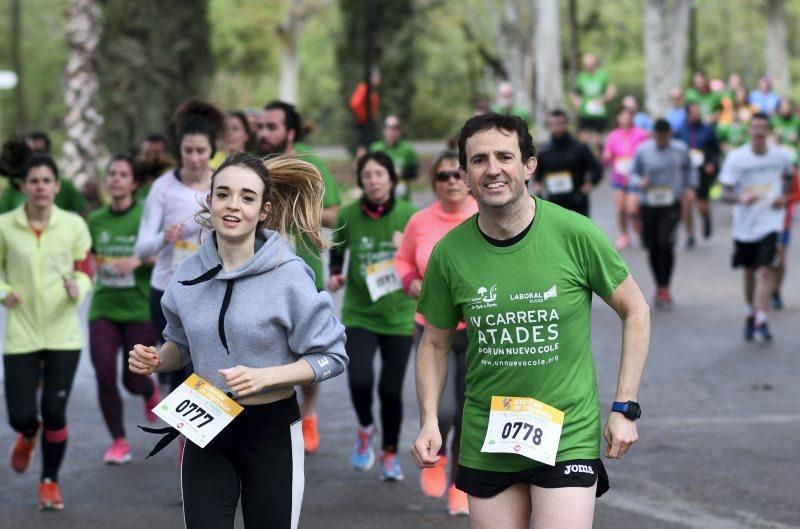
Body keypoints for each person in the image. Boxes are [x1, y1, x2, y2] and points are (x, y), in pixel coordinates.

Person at [411, 113, 650, 529]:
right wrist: (429, 420)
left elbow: (636, 310)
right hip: (488, 436)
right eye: (479, 160)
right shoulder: (449, 254)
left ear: (529, 165)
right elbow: (433, 343)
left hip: (567, 432)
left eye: (505, 156)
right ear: (465, 175)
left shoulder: (575, 234)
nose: (493, 169)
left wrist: (624, 407)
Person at [129, 152, 348, 528]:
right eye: (224, 194)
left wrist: (269, 376)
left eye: (247, 197)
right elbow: (178, 344)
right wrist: (155, 359)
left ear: (264, 210)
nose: (233, 205)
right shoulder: (188, 271)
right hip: (205, 422)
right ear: (209, 200)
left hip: (271, 431)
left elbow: (332, 356)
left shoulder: (289, 274)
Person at [0, 154, 93, 510]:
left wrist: (79, 288)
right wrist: (5, 293)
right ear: (23, 186)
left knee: (54, 411)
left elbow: (85, 269)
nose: (40, 187)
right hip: (21, 333)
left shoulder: (73, 226)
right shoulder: (6, 226)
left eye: (46, 180)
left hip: (62, 334)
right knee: (20, 414)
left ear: (57, 186)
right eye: (33, 181)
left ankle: (49, 482)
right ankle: (27, 433)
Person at [256, 100, 342, 454]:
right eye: (261, 126)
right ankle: (273, 417)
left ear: (290, 132)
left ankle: (308, 415)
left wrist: (297, 202)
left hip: (304, 273)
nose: (264, 133)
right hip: (260, 272)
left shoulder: (313, 165)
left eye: (272, 127)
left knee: (308, 348)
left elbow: (335, 215)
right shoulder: (252, 165)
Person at [394, 150, 477, 515]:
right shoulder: (420, 221)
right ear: (434, 183)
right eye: (443, 176)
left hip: (476, 331)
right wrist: (410, 280)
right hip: (432, 328)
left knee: (467, 412)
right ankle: (437, 453)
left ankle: (460, 482)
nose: (452, 182)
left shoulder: (483, 216)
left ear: (468, 178)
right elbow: (401, 259)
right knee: (440, 411)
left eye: (457, 174)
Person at [327, 151, 417, 480]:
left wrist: (405, 247)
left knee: (391, 391)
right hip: (360, 312)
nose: (374, 181)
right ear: (360, 181)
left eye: (380, 174)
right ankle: (366, 428)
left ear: (392, 178)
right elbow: (336, 248)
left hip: (398, 314)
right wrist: (335, 274)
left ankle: (390, 452)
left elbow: (425, 259)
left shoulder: (409, 215)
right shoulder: (348, 213)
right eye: (367, 176)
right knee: (360, 379)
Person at [136, 99, 224, 395]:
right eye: (188, 150)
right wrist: (163, 237)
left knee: (205, 368)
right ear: (179, 151)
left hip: (212, 288)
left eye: (201, 151)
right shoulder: (163, 187)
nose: (195, 158)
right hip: (168, 290)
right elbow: (141, 250)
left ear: (212, 150)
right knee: (178, 370)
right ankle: (184, 440)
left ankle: (206, 440)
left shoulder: (222, 183)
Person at [87, 154, 161, 464]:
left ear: (133, 182)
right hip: (103, 307)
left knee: (132, 378)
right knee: (104, 375)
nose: (115, 178)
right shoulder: (96, 220)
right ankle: (118, 441)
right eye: (112, 173)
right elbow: (88, 256)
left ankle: (147, 389)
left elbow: (167, 255)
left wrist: (137, 260)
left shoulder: (146, 216)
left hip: (139, 308)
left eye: (122, 174)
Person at [719, 112, 793, 342]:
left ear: (769, 131)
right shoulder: (736, 158)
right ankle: (750, 311)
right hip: (744, 225)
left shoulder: (781, 156)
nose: (759, 132)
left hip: (771, 221)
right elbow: (724, 193)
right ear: (749, 131)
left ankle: (761, 318)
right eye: (755, 128)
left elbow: (789, 178)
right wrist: (739, 198)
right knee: (749, 271)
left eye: (763, 128)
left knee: (766, 269)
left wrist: (784, 196)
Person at [630, 119, 696, 308]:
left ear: (670, 134)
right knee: (652, 246)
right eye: (658, 137)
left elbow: (690, 169)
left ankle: (665, 286)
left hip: (671, 203)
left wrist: (690, 187)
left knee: (665, 242)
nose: (662, 141)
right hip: (649, 203)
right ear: (653, 135)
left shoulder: (680, 149)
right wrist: (639, 182)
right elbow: (633, 174)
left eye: (665, 137)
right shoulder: (643, 150)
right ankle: (659, 285)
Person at [532, 109, 602, 217]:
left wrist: (586, 189)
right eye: (553, 124)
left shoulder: (580, 148)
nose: (557, 127)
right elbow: (537, 177)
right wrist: (539, 194)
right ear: (549, 125)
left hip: (577, 202)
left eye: (560, 123)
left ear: (566, 124)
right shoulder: (544, 151)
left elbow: (597, 170)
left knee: (578, 233)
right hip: (553, 203)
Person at [0, 134, 87, 215]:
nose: (40, 187)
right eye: (33, 152)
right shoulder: (14, 188)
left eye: (47, 181)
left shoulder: (64, 185)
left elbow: (83, 211)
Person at [602, 108, 650, 249]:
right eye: (623, 116)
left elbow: (648, 153)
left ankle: (639, 227)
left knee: (633, 209)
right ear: (618, 118)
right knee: (621, 208)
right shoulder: (613, 136)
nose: (625, 119)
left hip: (635, 177)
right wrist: (606, 157)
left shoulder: (641, 134)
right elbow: (607, 156)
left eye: (628, 117)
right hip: (618, 176)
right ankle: (624, 235)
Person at [675, 102, 721, 246]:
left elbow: (716, 150)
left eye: (697, 112)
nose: (696, 115)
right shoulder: (680, 131)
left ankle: (706, 216)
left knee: (701, 204)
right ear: (687, 114)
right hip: (686, 172)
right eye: (693, 112)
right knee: (686, 204)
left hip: (702, 171)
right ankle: (690, 235)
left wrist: (712, 164)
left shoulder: (708, 129)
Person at [570, 53, 616, 151]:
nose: (586, 67)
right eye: (584, 65)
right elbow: (575, 92)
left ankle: (598, 162)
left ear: (594, 63)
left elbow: (612, 91)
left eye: (588, 65)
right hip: (585, 113)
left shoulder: (602, 75)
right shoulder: (581, 76)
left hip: (599, 114)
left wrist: (603, 99)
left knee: (597, 141)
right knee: (582, 140)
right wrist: (576, 101)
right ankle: (583, 162)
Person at [369, 114, 419, 200]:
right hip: (381, 198)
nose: (392, 131)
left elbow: (415, 172)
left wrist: (402, 173)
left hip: (402, 197)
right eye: (389, 127)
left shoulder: (407, 149)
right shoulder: (375, 148)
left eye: (396, 128)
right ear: (384, 130)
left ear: (400, 131)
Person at [349, 68, 381, 154]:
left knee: (370, 146)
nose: (379, 79)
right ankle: (360, 166)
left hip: (369, 123)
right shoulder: (364, 87)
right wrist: (364, 116)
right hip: (364, 124)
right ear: (370, 77)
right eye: (376, 76)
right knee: (362, 147)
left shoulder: (371, 90)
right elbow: (354, 103)